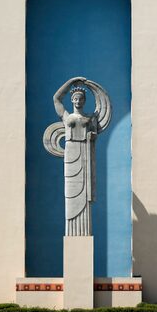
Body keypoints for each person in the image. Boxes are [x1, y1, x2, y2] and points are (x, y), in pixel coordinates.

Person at [43, 76, 111, 236]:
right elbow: (56, 99)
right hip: (71, 153)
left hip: (85, 153)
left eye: (80, 99)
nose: (77, 101)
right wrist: (71, 82)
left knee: (84, 192)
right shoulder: (67, 117)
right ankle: (72, 230)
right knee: (72, 193)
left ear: (84, 101)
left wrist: (92, 137)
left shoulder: (90, 118)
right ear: (72, 100)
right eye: (75, 98)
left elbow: (94, 134)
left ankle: (82, 231)